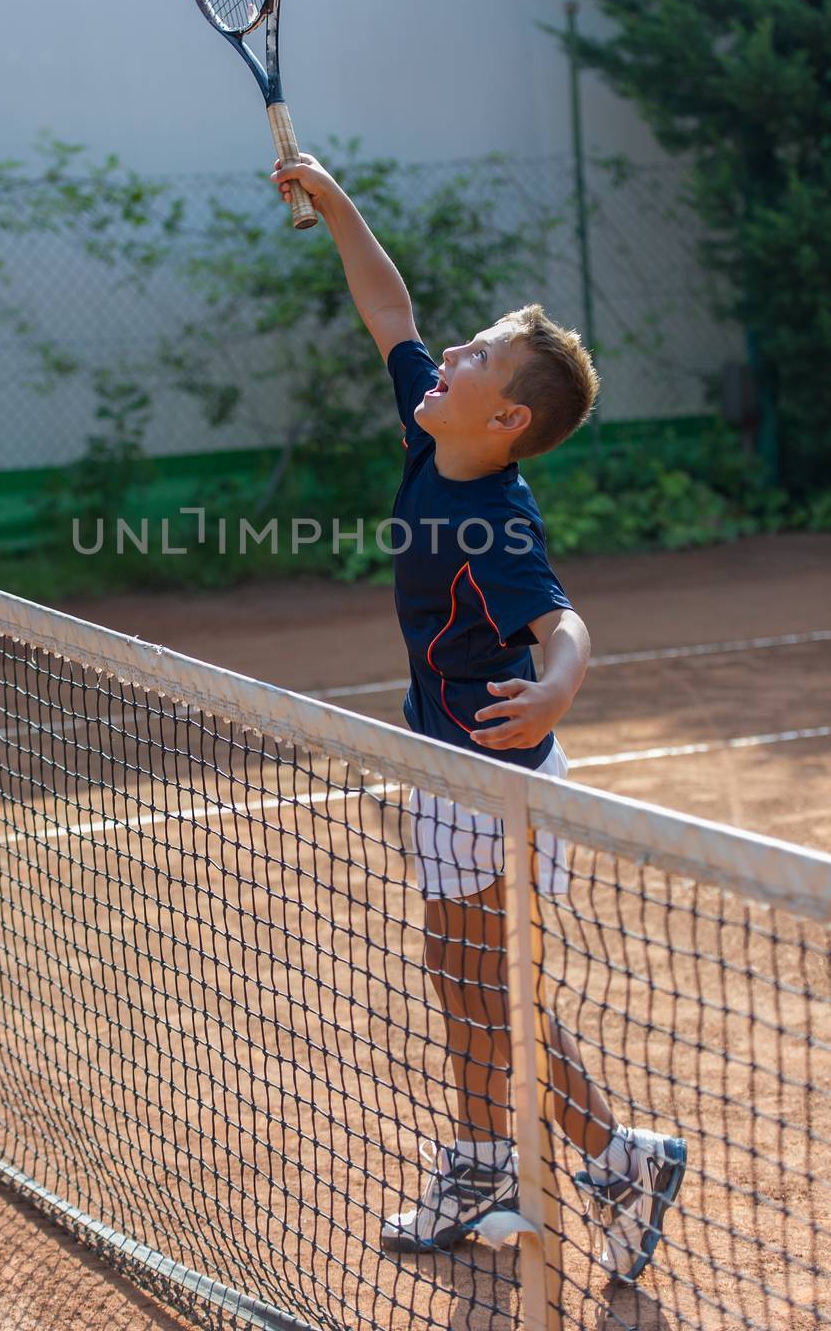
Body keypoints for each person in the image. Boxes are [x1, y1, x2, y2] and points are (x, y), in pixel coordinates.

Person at [271, 153, 686, 1282]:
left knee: (487, 987)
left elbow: (562, 623)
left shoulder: (495, 512)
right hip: (443, 760)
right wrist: (333, 198)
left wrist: (557, 687)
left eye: (473, 357)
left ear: (504, 417)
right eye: (458, 349)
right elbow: (387, 302)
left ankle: (600, 1160)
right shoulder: (430, 433)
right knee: (463, 979)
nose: (444, 354)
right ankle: (508, 1160)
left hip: (497, 777)